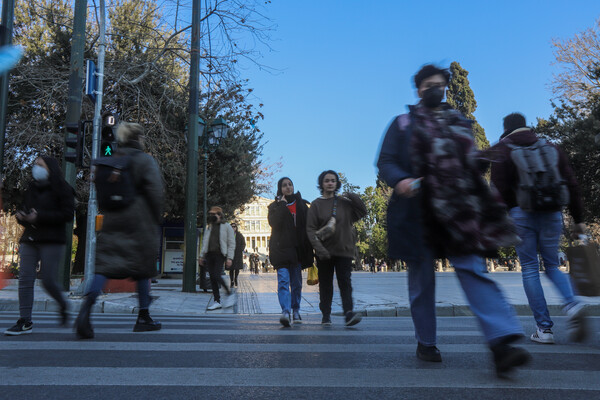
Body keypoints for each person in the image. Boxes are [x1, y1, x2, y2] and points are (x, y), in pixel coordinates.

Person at [376, 64, 530, 377]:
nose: (436, 89)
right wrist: (401, 180)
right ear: (418, 89)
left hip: (459, 208)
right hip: (418, 211)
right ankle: (426, 341)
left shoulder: (460, 121)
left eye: (440, 84)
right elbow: (386, 161)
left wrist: (482, 158)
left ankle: (501, 343)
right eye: (429, 84)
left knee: (473, 270)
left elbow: (466, 160)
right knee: (422, 282)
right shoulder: (403, 123)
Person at [487, 112, 587, 344]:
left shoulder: (502, 150)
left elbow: (498, 190)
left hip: (521, 215)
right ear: (527, 127)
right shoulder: (551, 147)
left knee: (530, 268)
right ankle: (572, 304)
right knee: (553, 265)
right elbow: (571, 183)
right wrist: (578, 219)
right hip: (552, 213)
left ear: (506, 130)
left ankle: (544, 329)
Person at [75, 122, 164, 339]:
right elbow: (156, 192)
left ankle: (86, 308)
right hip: (140, 221)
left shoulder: (111, 160)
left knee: (105, 267)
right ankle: (143, 317)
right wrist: (157, 216)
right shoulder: (144, 160)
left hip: (112, 219)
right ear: (138, 138)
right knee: (143, 269)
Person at [4, 156, 74, 335]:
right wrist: (23, 217)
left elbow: (66, 215)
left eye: (40, 165)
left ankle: (63, 304)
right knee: (26, 279)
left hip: (52, 239)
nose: (36, 168)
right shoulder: (32, 188)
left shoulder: (63, 188)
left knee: (48, 281)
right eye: (35, 165)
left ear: (50, 168)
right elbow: (26, 208)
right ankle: (25, 320)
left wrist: (40, 216)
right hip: (30, 238)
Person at [307, 170, 366, 327]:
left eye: (333, 180)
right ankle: (326, 314)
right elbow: (311, 230)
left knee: (345, 283)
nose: (330, 183)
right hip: (324, 253)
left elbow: (362, 211)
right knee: (326, 285)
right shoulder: (316, 205)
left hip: (344, 251)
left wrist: (350, 195)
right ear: (322, 184)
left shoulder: (344, 203)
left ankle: (348, 313)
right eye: (327, 180)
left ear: (337, 183)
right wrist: (319, 249)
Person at [268, 177, 314, 327]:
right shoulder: (274, 206)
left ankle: (296, 310)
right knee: (283, 281)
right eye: (284, 185)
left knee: (296, 283)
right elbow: (274, 223)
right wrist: (281, 205)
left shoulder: (301, 205)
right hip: (281, 249)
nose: (288, 187)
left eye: (290, 184)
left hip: (297, 250)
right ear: (280, 189)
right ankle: (285, 312)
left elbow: (309, 227)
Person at [199, 206, 235, 310]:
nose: (211, 216)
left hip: (220, 254)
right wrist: (202, 255)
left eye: (213, 214)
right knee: (212, 277)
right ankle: (217, 301)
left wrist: (230, 258)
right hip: (209, 254)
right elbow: (205, 241)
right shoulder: (210, 227)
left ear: (219, 214)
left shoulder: (226, 226)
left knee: (216, 275)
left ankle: (229, 293)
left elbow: (231, 243)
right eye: (210, 214)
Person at [230, 223, 245, 288]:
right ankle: (231, 281)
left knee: (237, 268)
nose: (233, 228)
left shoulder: (240, 235)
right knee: (231, 268)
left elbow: (243, 244)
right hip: (230, 253)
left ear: (236, 228)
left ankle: (235, 278)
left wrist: (241, 249)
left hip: (238, 254)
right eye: (232, 227)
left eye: (234, 227)